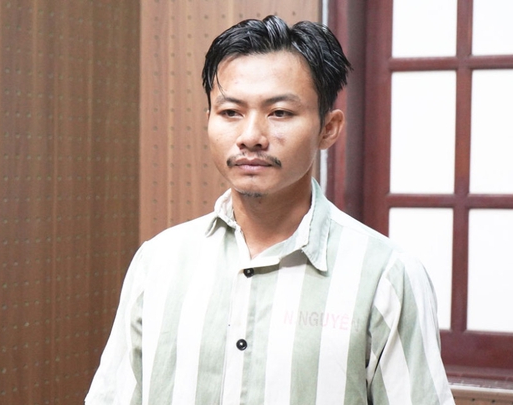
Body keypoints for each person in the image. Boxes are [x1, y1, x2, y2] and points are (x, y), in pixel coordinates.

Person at [85, 15, 455, 405]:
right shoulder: (158, 262)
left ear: (328, 128)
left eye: (279, 113)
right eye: (231, 113)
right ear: (209, 120)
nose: (250, 137)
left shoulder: (386, 276)